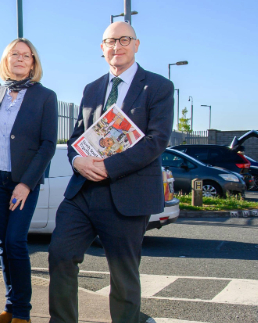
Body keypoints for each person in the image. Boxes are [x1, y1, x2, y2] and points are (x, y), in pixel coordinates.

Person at [48, 22, 174, 323]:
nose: (117, 46)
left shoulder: (157, 87)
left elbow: (157, 141)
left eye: (124, 40)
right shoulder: (92, 88)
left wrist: (109, 167)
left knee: (123, 275)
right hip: (83, 193)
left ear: (137, 44)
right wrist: (77, 160)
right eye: (110, 41)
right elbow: (77, 137)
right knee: (60, 255)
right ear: (102, 48)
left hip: (127, 194)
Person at [0, 39, 57, 323]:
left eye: (26, 56)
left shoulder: (45, 96)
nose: (20, 59)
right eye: (15, 54)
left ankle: (23, 314)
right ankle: (10, 308)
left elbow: (48, 144)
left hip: (23, 183)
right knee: (2, 244)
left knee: (15, 241)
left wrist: (26, 183)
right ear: (6, 59)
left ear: (33, 63)